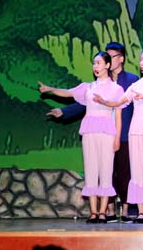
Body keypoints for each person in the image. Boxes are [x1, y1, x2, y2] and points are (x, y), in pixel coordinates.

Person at [46, 42, 138, 223]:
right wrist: (50, 90)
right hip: (89, 132)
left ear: (108, 65)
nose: (95, 67)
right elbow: (69, 93)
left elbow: (119, 114)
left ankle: (105, 212)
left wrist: (117, 138)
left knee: (107, 171)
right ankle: (94, 212)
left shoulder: (118, 88)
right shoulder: (88, 87)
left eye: (99, 63)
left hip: (109, 133)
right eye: (94, 63)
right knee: (91, 170)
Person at [93, 48, 143, 224]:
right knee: (137, 171)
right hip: (135, 131)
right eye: (141, 60)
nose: (141, 63)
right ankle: (141, 211)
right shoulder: (136, 85)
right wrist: (104, 102)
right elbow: (119, 102)